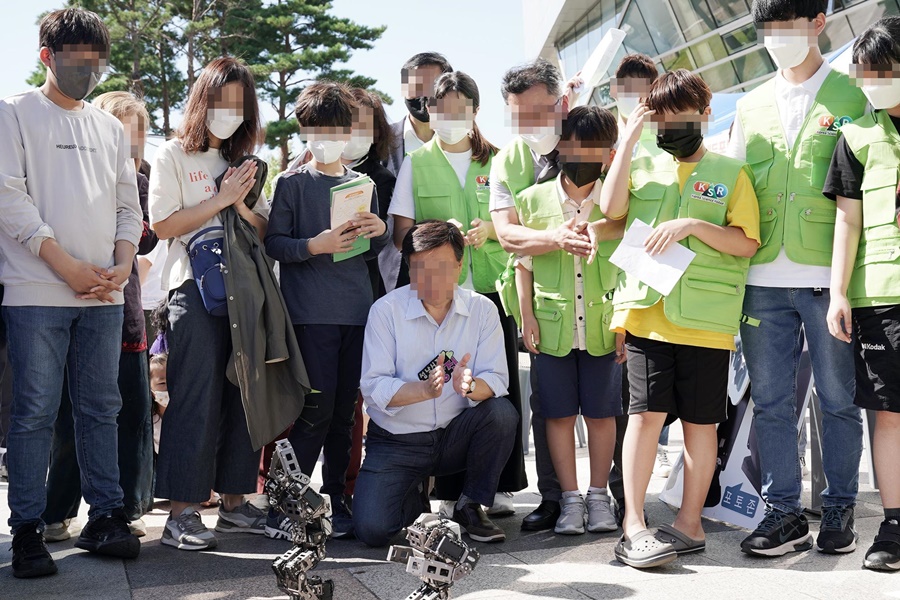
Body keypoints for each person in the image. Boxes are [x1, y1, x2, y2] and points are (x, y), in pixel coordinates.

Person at [0, 8, 143, 577]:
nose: (88, 71)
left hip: (103, 292)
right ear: (47, 58)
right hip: (37, 289)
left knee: (100, 407)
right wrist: (63, 264)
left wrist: (123, 264)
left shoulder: (108, 128)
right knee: (35, 410)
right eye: (76, 61)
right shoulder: (13, 114)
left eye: (96, 62)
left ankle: (106, 516)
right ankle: (28, 528)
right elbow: (10, 200)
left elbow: (128, 207)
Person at [600, 69, 760, 568]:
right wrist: (627, 140)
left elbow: (747, 242)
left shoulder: (731, 173)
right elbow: (610, 207)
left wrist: (691, 225)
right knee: (643, 418)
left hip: (708, 321)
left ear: (705, 114)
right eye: (660, 119)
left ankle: (690, 524)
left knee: (701, 423)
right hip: (649, 315)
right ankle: (634, 525)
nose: (669, 127)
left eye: (680, 117)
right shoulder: (643, 164)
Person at [726, 0, 867, 557]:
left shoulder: (853, 96)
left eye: (789, 24)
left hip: (830, 275)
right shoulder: (750, 102)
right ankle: (783, 513)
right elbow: (726, 186)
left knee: (837, 400)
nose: (778, 37)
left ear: (818, 24)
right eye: (769, 27)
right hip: (761, 276)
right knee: (771, 403)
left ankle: (838, 511)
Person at [389, 70, 526, 521]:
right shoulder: (417, 162)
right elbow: (401, 234)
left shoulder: (499, 160)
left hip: (491, 286)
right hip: (438, 296)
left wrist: (491, 229)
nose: (450, 117)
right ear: (430, 111)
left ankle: (501, 484)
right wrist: (439, 239)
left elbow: (518, 221)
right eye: (441, 108)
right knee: (444, 385)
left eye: (460, 108)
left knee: (496, 384)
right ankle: (449, 490)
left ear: (474, 110)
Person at [150, 57, 272, 551]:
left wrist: (239, 202)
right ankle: (182, 511)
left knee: (244, 396)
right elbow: (163, 226)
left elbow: (263, 230)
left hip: (244, 293)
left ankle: (236, 504)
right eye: (223, 102)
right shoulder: (173, 154)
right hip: (192, 291)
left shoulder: (247, 162)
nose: (231, 113)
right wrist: (221, 199)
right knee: (196, 395)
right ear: (203, 101)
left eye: (240, 105)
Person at [264, 81, 390, 539]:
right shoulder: (292, 183)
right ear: (303, 131)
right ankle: (287, 502)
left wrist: (378, 230)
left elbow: (374, 250)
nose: (325, 137)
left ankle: (336, 497)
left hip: (357, 312)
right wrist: (313, 245)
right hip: (310, 313)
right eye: (314, 128)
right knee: (313, 410)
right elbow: (275, 243)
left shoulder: (364, 183)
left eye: (334, 128)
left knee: (344, 413)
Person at [353, 220, 518, 546]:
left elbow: (497, 378)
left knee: (501, 413)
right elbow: (373, 388)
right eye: (420, 268)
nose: (430, 278)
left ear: (459, 266)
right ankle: (414, 497)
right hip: (397, 441)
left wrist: (469, 386)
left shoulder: (482, 310)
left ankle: (470, 504)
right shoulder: (386, 311)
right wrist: (424, 390)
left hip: (455, 436)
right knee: (373, 530)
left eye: (441, 266)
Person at [43, 91, 158, 542]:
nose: (130, 140)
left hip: (125, 314)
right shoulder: (71, 175)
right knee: (71, 418)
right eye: (122, 128)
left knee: (131, 414)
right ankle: (57, 510)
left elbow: (146, 239)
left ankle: (125, 508)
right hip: (72, 305)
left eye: (138, 132)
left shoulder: (142, 181)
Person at [514, 106, 624, 535]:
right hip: (552, 325)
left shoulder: (617, 201)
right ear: (561, 146)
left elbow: (630, 265)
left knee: (602, 414)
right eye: (576, 143)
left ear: (609, 154)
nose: (584, 153)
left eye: (595, 146)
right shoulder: (532, 199)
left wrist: (623, 321)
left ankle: (599, 497)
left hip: (603, 325)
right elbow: (521, 264)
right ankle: (570, 500)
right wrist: (527, 317)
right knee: (557, 415)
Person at [490, 58, 587, 532]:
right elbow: (508, 235)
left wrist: (545, 236)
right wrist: (560, 238)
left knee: (610, 404)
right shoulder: (507, 160)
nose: (530, 125)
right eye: (519, 116)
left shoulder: (590, 136)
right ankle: (552, 498)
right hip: (543, 301)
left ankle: (615, 495)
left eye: (540, 112)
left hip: (600, 295)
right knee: (549, 404)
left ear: (563, 103)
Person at [824, 16, 900, 571]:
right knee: (889, 415)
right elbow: (846, 224)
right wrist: (837, 293)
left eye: (885, 72)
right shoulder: (856, 137)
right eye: (867, 73)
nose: (873, 82)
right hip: (880, 295)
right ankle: (893, 527)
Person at [606, 52, 668, 515]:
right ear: (612, 91)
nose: (635, 98)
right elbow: (606, 212)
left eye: (643, 88)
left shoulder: (669, 135)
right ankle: (619, 488)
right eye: (625, 88)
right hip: (611, 282)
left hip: (661, 281)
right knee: (624, 396)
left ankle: (633, 487)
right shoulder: (602, 134)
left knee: (648, 398)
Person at [341, 87, 397, 508]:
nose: (355, 131)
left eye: (364, 122)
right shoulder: (306, 170)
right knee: (327, 400)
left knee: (368, 394)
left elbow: (386, 243)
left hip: (369, 297)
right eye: (348, 121)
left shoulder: (383, 178)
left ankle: (361, 483)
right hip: (313, 305)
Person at [382, 52, 454, 294]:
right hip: (392, 275)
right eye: (414, 87)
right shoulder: (379, 142)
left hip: (453, 271)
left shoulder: (467, 144)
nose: (422, 96)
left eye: (430, 87)